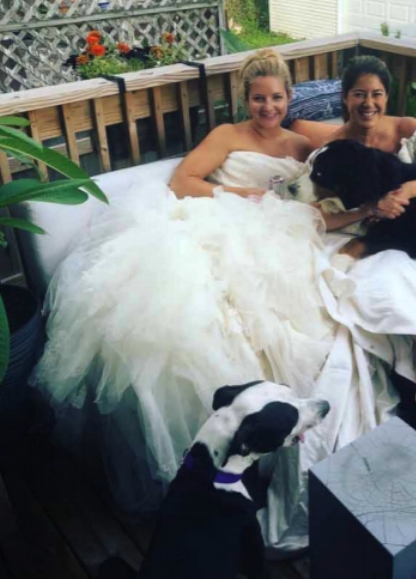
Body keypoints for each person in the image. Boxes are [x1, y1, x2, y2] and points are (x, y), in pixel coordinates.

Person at [30, 49, 338, 508]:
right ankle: (208, 448)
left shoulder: (301, 146)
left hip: (275, 235)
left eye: (276, 97)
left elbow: (340, 162)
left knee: (279, 311)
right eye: (258, 98)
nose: (268, 107)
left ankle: (263, 434)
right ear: (246, 99)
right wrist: (238, 193)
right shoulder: (227, 134)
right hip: (218, 219)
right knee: (187, 309)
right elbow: (182, 181)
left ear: (289, 97)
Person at [314, 55, 416, 406]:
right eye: (359, 94)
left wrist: (405, 192)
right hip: (371, 234)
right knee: (378, 282)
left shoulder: (408, 130)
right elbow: (322, 205)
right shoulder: (336, 146)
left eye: (377, 94)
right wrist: (372, 208)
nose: (368, 103)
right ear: (345, 98)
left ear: (387, 97)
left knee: (403, 277)